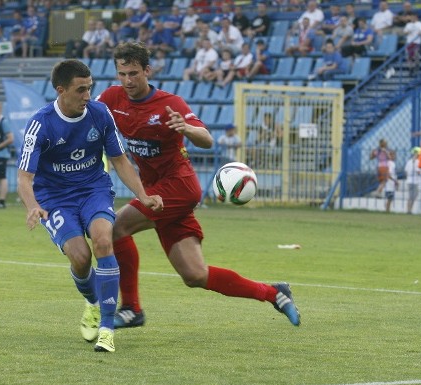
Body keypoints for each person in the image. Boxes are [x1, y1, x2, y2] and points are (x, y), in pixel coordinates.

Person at [97, 42, 301, 330]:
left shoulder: (170, 104)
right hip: (158, 191)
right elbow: (88, 116)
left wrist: (187, 129)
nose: (128, 81)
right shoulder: (112, 98)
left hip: (178, 187)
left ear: (147, 70)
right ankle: (274, 292)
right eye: (122, 74)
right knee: (195, 275)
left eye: (134, 73)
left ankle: (131, 308)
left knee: (115, 227)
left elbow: (206, 138)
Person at [16, 59, 163, 353]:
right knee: (81, 258)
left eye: (90, 88)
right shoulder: (41, 123)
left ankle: (107, 328)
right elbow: (24, 176)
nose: (87, 96)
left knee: (103, 241)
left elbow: (120, 160)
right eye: (81, 90)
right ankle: (93, 302)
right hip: (55, 199)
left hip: (93, 190)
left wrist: (143, 195)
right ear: (61, 90)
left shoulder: (99, 113)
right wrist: (32, 205)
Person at [404, 147, 421, 214]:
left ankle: (409, 209)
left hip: (409, 181)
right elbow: (418, 172)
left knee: (411, 196)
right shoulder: (418, 162)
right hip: (415, 181)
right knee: (413, 196)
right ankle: (409, 210)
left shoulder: (409, 161)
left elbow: (406, 171)